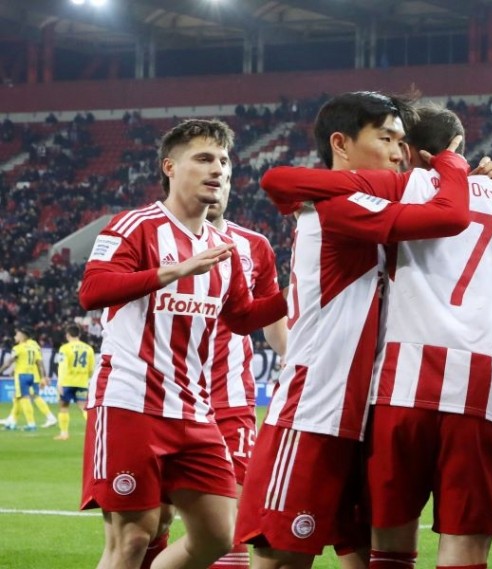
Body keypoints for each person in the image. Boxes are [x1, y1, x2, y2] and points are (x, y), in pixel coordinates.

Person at [237, 91, 472, 569]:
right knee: (281, 558)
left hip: (364, 415)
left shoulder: (358, 205)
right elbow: (450, 215)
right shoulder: (339, 209)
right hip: (315, 412)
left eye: (403, 142)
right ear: (341, 143)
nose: (398, 153)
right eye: (385, 139)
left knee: (369, 557)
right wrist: (453, 165)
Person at [77, 118, 288, 569]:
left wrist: (300, 291)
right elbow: (92, 290)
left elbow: (241, 318)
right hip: (130, 401)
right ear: (170, 167)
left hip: (194, 410)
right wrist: (175, 271)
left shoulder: (223, 247)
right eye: (204, 159)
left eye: (224, 161)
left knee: (219, 534)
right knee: (133, 537)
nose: (218, 169)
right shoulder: (134, 225)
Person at [362, 105, 492, 569]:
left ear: (409, 151)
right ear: (459, 146)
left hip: (400, 385)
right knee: (464, 549)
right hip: (483, 393)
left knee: (389, 546)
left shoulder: (398, 191)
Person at [140, 163, 291, 569]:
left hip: (230, 398)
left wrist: (297, 360)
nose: (217, 185)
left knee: (230, 518)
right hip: (164, 395)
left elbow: (274, 329)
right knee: (156, 520)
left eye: (224, 177)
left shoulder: (254, 245)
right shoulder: (155, 237)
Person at [0, 326, 56, 431]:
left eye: (17, 334)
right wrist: (43, 377)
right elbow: (40, 363)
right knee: (18, 397)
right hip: (33, 375)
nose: (15, 336)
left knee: (24, 398)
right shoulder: (34, 346)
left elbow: (9, 362)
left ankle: (31, 423)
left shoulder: (18, 348)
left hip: (22, 375)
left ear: (23, 336)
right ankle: (12, 421)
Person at [53, 324, 95, 440]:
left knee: (63, 406)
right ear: (79, 334)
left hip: (67, 382)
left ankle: (64, 434)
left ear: (67, 335)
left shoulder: (64, 348)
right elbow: (91, 368)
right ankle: (95, 432)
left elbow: (62, 366)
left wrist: (59, 382)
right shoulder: (89, 349)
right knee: (83, 407)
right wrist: (88, 378)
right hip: (82, 382)